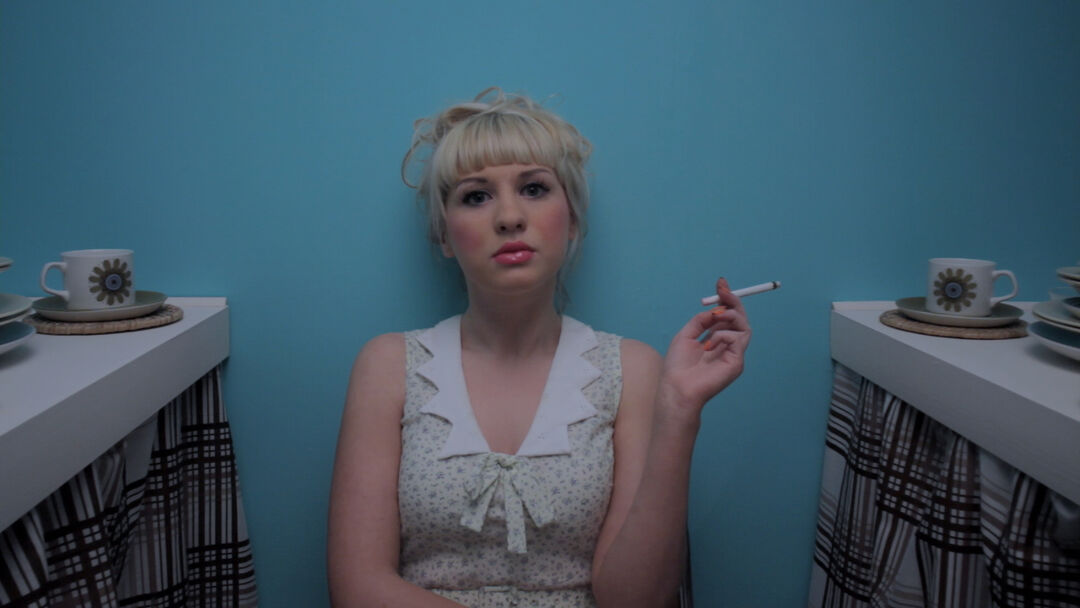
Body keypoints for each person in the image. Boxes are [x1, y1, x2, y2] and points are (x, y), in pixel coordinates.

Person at [327, 87, 751, 608]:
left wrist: (681, 410)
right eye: (476, 196)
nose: (508, 217)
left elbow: (634, 600)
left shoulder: (633, 370)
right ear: (444, 233)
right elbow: (357, 589)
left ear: (571, 219)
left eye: (533, 188)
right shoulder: (388, 366)